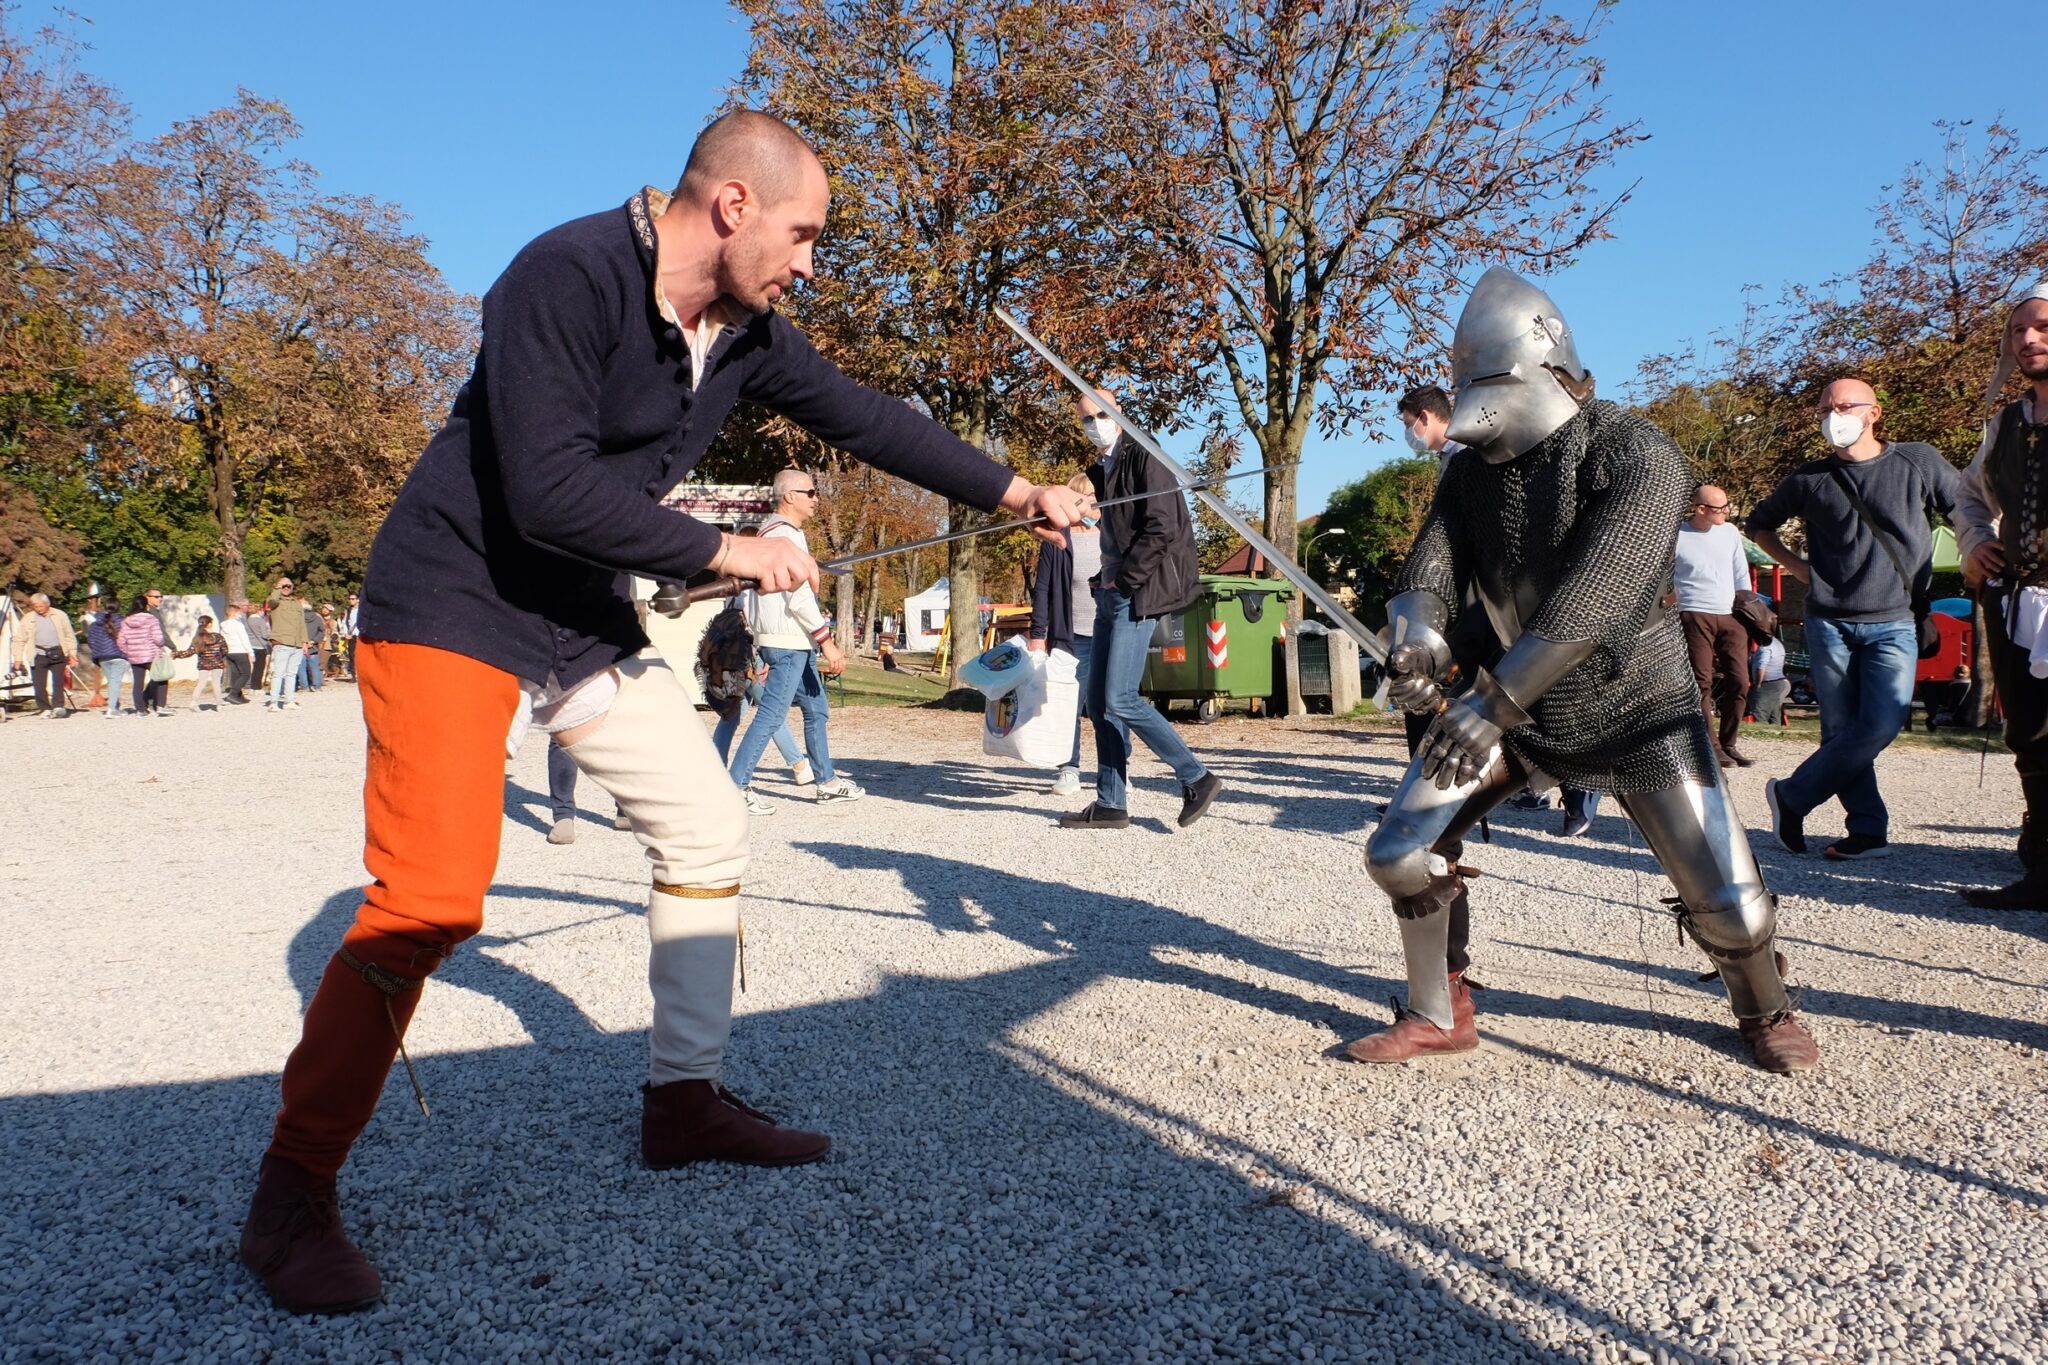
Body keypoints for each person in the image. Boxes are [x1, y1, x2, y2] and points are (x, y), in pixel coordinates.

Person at [238, 109, 1086, 1316]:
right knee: (429, 901)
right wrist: (728, 552)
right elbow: (543, 490)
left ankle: (682, 1105)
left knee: (704, 824)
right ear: (733, 205)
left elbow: (865, 416)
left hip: (575, 615)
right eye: (803, 234)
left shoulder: (743, 334)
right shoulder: (563, 275)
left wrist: (1017, 489)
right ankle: (291, 1192)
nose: (808, 264)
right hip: (450, 602)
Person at [1360, 267, 1818, 1075]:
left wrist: (1490, 705)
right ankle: (1439, 1008)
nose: (1474, 403)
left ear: (1542, 370)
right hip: (1516, 707)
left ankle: (1764, 1005)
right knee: (1399, 850)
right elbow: (1430, 569)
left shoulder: (1638, 453)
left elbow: (1594, 597)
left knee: (1734, 910)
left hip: (1635, 704)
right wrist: (1417, 638)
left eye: (1487, 384)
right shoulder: (1468, 473)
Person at [1749, 377, 1960, 860]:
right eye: (1824, 409)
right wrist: (1797, 567)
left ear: (1873, 413)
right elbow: (1759, 524)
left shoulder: (1918, 460)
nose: (1833, 416)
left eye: (1844, 406)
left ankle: (1792, 795)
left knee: (1883, 723)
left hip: (1896, 619)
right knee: (1841, 730)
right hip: (1829, 621)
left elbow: (1963, 508)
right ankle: (1866, 830)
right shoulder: (1809, 478)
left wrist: (1985, 544)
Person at [1060, 388, 1223, 830]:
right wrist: (1105, 577)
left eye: (1101, 415)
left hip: (1138, 592)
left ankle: (1197, 777)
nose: (1094, 424)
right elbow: (1115, 530)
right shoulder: (1104, 466)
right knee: (1098, 703)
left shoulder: (1144, 454)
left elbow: (1162, 527)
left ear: (1118, 413)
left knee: (1120, 697)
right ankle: (1111, 802)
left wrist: (1125, 579)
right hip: (1110, 592)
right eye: (1086, 419)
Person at [1952, 283, 2048, 908]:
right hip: (2020, 600)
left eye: (2042, 327)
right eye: (2018, 330)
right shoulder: (2006, 423)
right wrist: (1975, 541)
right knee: (2032, 737)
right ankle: (2042, 870)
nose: (2028, 339)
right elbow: (1968, 494)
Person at [727, 468, 861, 813]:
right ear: (790, 496)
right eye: (810, 492)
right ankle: (736, 786)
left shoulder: (771, 534)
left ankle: (826, 781)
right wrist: (827, 642)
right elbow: (799, 597)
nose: (816, 499)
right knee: (772, 715)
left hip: (792, 641)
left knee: (816, 708)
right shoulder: (785, 537)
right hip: (787, 641)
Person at [1028, 472, 1102, 797]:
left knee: (1111, 706)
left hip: (1109, 633)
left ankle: (1116, 770)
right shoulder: (1058, 539)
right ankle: (1069, 769)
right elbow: (1042, 589)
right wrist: (1037, 634)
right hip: (1071, 637)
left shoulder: (1112, 537)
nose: (1092, 505)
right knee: (1069, 705)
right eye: (1084, 499)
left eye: (1095, 498)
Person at [1673, 484, 1756, 767]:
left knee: (1739, 680)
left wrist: (1748, 606)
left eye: (1726, 506)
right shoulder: (1678, 535)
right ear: (1700, 509)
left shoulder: (1730, 532)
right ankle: (1712, 746)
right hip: (1695, 612)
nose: (1726, 512)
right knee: (1702, 682)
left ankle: (1729, 743)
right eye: (1720, 508)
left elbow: (1740, 572)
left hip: (1730, 613)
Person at [15, 593, 77, 717]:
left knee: (58, 682)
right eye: (35, 606)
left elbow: (69, 635)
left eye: (41, 606)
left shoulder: (60, 615)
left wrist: (72, 654)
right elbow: (19, 639)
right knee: (39, 683)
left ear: (47, 604)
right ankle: (44, 707)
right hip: (38, 653)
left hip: (57, 652)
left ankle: (58, 706)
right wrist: (18, 658)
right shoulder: (28, 618)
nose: (38, 609)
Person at [115, 595, 166, 716]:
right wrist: (161, 645)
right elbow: (158, 638)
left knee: (138, 683)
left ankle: (140, 710)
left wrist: (128, 651)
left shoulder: (126, 621)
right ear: (146, 606)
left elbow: (120, 641)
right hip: (151, 655)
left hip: (134, 656)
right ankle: (160, 706)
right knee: (162, 678)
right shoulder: (151, 619)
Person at [265, 577, 309, 711]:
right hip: (282, 641)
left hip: (297, 643)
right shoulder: (275, 600)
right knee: (278, 673)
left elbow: (302, 623)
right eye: (283, 586)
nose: (286, 588)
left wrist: (304, 642)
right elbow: (272, 601)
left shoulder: (296, 603)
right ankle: (273, 702)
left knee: (292, 674)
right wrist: (278, 588)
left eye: (288, 586)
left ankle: (289, 701)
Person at [176, 614, 230, 712]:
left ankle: (193, 703)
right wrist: (219, 657)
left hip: (203, 664)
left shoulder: (197, 638)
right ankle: (219, 705)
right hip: (217, 663)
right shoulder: (218, 637)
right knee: (216, 683)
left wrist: (177, 654)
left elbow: (189, 652)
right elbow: (225, 650)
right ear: (209, 624)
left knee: (201, 683)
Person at [85, 596, 128, 718]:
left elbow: (91, 640)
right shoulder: (123, 622)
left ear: (104, 607)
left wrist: (97, 651)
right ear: (119, 607)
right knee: (115, 682)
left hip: (102, 657)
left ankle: (115, 707)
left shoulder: (95, 623)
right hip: (118, 655)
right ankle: (112, 709)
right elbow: (127, 638)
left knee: (112, 682)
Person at [1749, 633, 1789, 725]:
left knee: (1760, 711)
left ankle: (1762, 730)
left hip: (1768, 683)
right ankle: (1775, 730)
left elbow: (1762, 665)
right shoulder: (1777, 643)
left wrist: (1758, 684)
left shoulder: (1765, 646)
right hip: (1778, 681)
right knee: (1774, 714)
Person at [220, 602, 255, 704]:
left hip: (229, 652)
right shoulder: (238, 625)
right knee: (246, 674)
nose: (239, 615)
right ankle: (233, 694)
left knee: (235, 674)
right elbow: (244, 639)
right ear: (234, 613)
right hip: (240, 651)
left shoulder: (223, 625)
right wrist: (251, 652)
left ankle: (239, 696)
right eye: (238, 613)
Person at [246, 598, 272, 690]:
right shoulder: (261, 621)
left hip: (249, 645)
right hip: (260, 646)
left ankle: (248, 684)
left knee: (250, 667)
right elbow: (264, 635)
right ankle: (256, 686)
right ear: (258, 610)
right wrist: (270, 634)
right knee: (259, 667)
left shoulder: (247, 621)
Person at [337, 592, 360, 680]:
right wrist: (346, 633)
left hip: (361, 635)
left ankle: (361, 675)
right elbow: (345, 622)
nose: (351, 600)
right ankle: (354, 675)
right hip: (351, 635)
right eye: (350, 599)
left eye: (353, 599)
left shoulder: (362, 610)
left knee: (361, 656)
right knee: (351, 655)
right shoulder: (348, 610)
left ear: (358, 600)